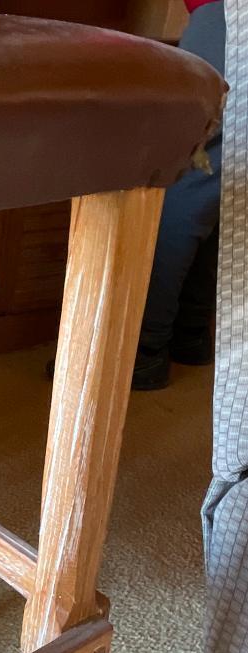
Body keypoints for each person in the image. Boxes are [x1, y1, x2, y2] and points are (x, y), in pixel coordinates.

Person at [133, 0, 225, 390]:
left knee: (184, 178)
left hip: (230, 15)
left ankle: (143, 348)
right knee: (219, 179)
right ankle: (189, 331)